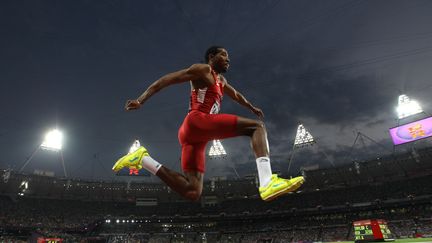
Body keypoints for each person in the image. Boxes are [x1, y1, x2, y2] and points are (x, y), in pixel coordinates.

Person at [112, 46, 304, 201]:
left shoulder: (221, 80)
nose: (228, 59)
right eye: (224, 55)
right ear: (212, 57)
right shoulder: (203, 70)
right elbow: (167, 80)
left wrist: (252, 107)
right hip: (197, 121)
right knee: (257, 127)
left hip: (194, 137)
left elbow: (236, 95)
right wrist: (141, 100)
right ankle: (266, 182)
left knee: (193, 192)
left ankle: (143, 159)